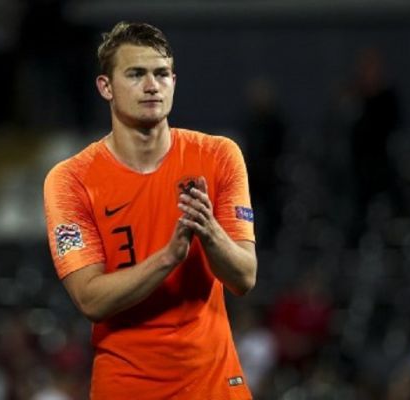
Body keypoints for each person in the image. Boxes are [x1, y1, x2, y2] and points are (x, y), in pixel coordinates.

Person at [43, 21, 257, 399]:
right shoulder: (71, 180)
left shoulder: (219, 156)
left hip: (213, 385)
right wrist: (169, 257)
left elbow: (244, 277)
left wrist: (209, 231)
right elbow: (91, 299)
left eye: (161, 74)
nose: (151, 85)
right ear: (105, 87)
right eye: (136, 74)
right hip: (126, 387)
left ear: (173, 81)